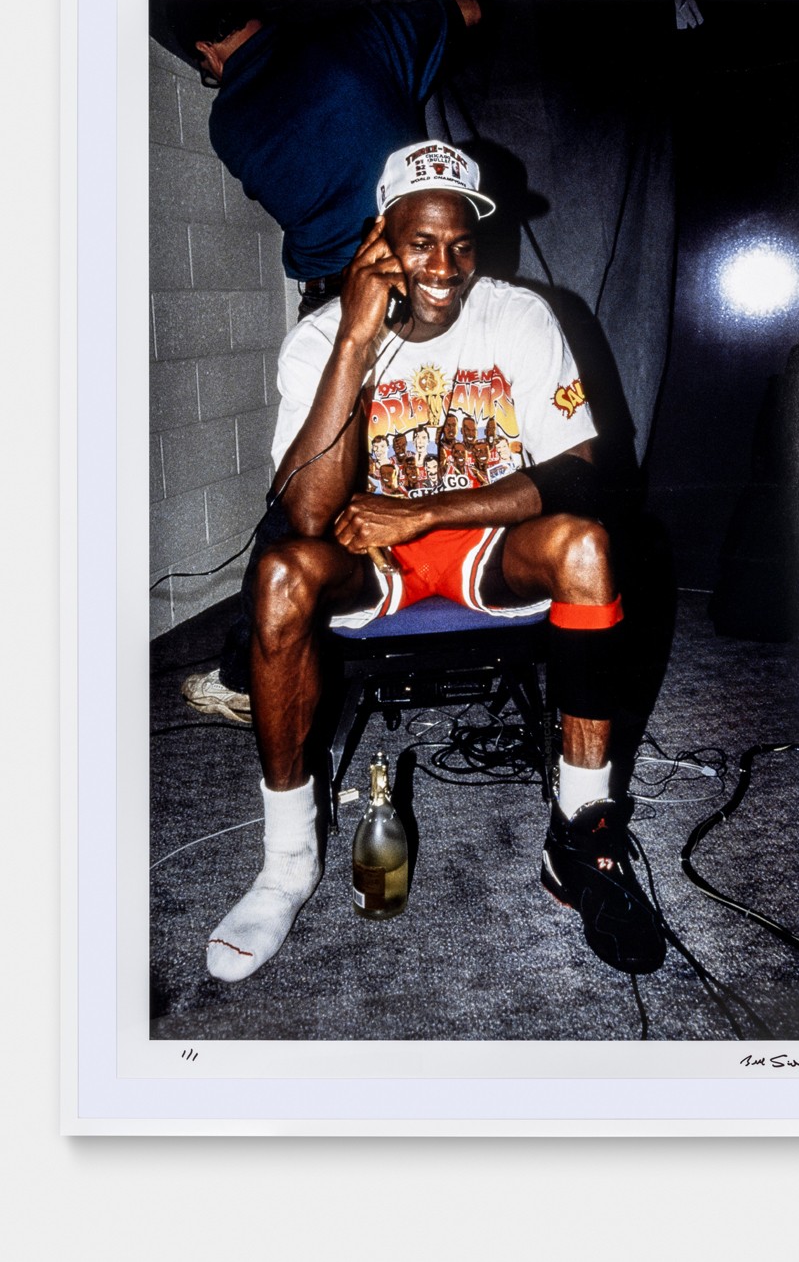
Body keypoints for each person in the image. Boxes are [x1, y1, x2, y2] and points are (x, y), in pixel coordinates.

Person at [203, 140, 665, 984]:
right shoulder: (317, 340)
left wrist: (423, 511)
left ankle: (579, 841)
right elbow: (304, 515)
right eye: (421, 243)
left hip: (486, 544)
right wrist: (355, 338)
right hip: (368, 557)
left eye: (461, 243)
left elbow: (578, 472)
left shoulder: (519, 317)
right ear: (380, 242)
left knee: (588, 548)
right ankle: (287, 860)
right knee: (278, 575)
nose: (445, 267)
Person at [154, 0, 480, 310]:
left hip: (328, 303)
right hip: (415, 283)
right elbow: (469, 8)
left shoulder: (224, 125)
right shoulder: (360, 35)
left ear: (205, 49)